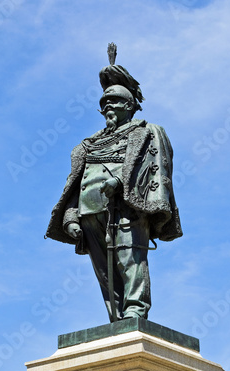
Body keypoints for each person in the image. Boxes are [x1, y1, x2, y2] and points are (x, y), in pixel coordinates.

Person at [46, 48, 182, 322]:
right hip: (89, 213)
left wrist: (119, 181)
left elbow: (154, 166)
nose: (108, 106)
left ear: (129, 106)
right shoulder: (90, 143)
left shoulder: (146, 131)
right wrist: (71, 216)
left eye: (115, 102)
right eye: (105, 102)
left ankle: (135, 310)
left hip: (128, 207)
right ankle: (117, 316)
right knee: (103, 270)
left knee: (129, 258)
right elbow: (76, 182)